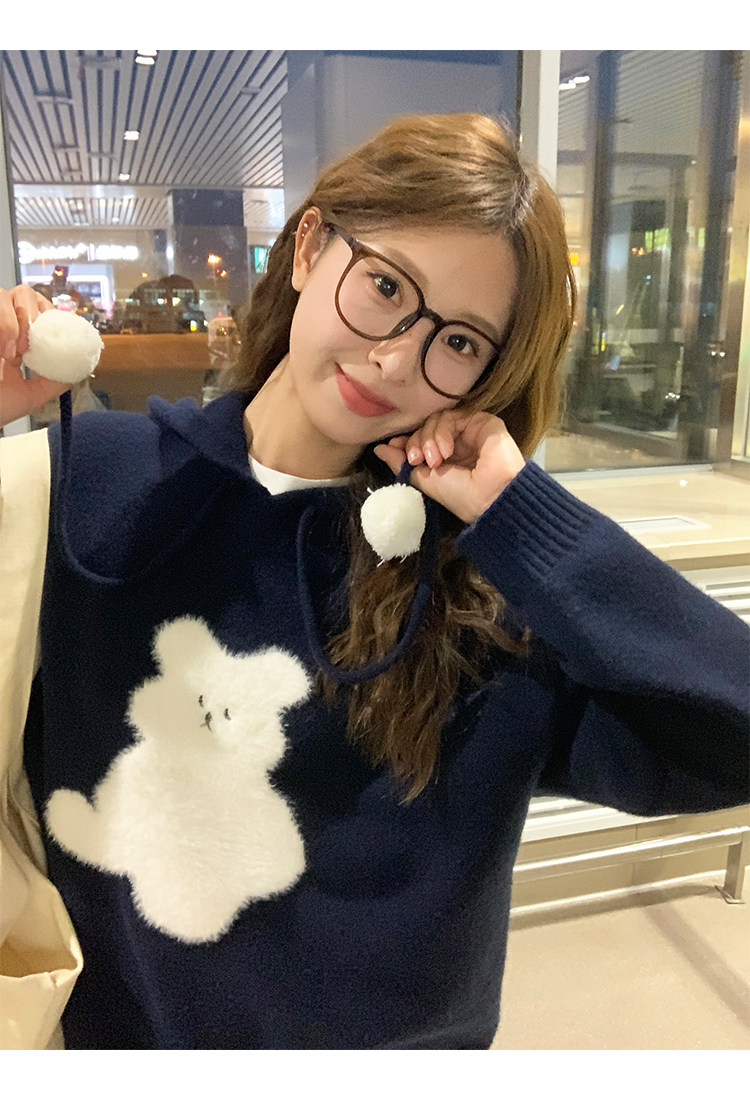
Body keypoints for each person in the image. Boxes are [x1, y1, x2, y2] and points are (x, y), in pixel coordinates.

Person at [0, 112, 747, 1051]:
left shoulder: (477, 582)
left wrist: (523, 516)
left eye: (460, 342)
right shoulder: (82, 485)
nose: (395, 357)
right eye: (387, 286)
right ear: (311, 247)